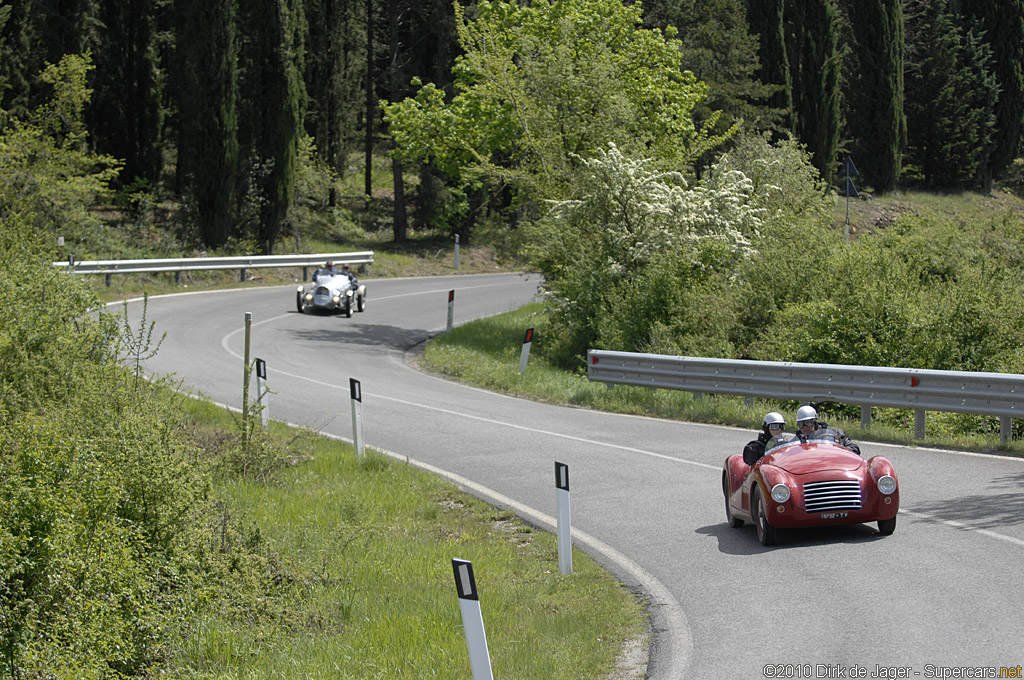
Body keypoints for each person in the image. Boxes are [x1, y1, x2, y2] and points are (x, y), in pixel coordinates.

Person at [794, 405, 861, 455]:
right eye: (800, 424)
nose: (805, 427)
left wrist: (839, 451)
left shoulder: (835, 433)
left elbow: (854, 448)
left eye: (808, 423)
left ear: (814, 421)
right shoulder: (796, 441)